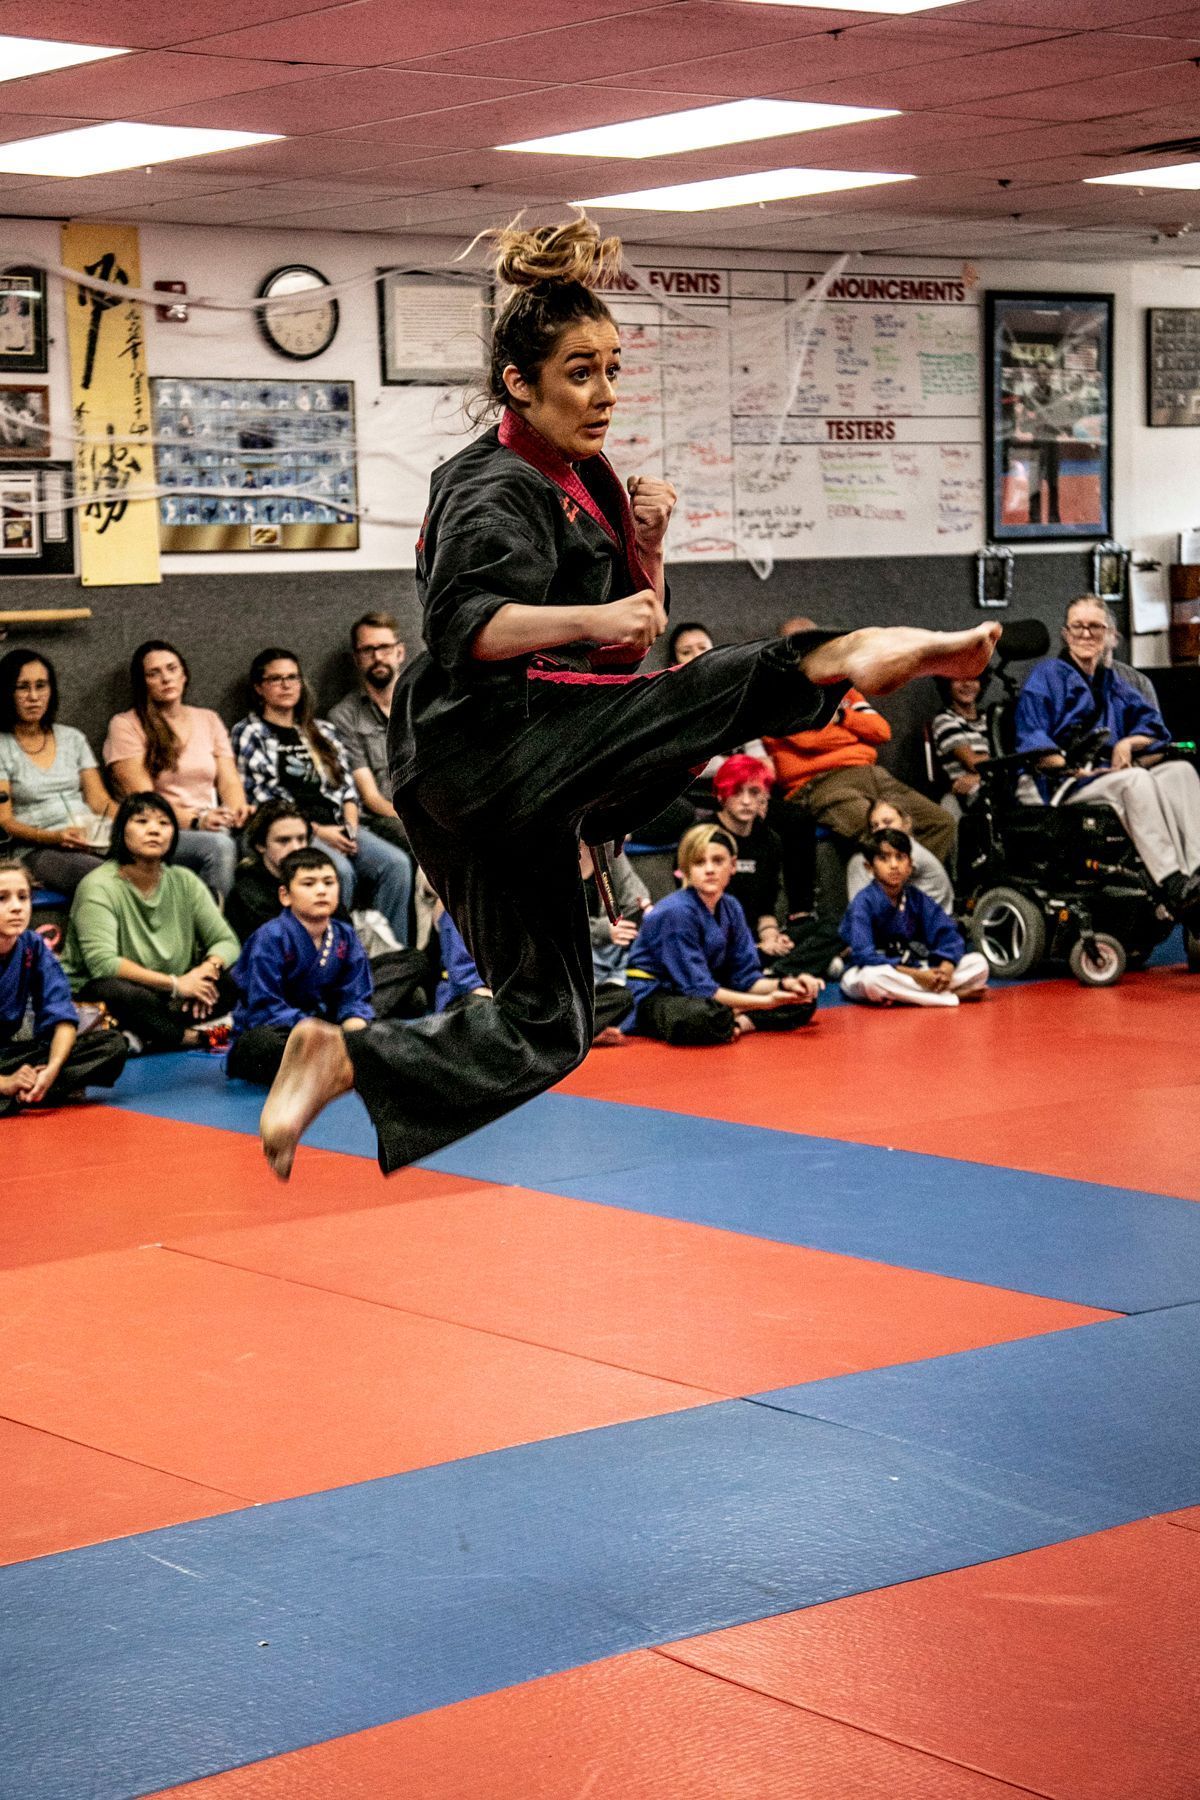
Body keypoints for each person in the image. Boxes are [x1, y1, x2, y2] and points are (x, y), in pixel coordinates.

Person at [257, 214, 1001, 1178]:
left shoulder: (581, 477)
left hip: (504, 780)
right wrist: (593, 620)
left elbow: (629, 642)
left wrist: (644, 551)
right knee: (721, 686)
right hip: (485, 750)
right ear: (518, 384)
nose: (605, 392)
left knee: (550, 1023)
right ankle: (838, 659)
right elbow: (466, 630)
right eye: (580, 371)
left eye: (611, 367)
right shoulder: (496, 486)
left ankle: (342, 1055)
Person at [1015, 594, 1200, 915]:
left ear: (1110, 636)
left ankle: (1196, 873)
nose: (1086, 634)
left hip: (1113, 775)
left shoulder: (1115, 684)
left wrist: (1128, 745)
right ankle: (1171, 883)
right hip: (1065, 784)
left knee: (1179, 772)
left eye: (1095, 628)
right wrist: (1075, 771)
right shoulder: (1046, 677)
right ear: (1066, 634)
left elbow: (1157, 735)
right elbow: (1035, 746)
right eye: (1078, 627)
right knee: (1136, 781)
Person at [231, 647, 414, 944]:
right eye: (276, 679)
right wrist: (320, 832)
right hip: (297, 829)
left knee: (395, 865)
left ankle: (390, 952)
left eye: (293, 677)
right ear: (259, 687)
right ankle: (340, 952)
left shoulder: (321, 731)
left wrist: (350, 828)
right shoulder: (250, 732)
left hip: (341, 825)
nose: (287, 685)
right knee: (337, 871)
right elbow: (264, 796)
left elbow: (347, 790)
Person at [764, 617, 957, 867]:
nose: (809, 648)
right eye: (798, 643)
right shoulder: (773, 696)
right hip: (819, 784)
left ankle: (910, 896)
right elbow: (810, 742)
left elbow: (881, 731)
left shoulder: (842, 690)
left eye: (814, 640)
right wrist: (853, 732)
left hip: (872, 774)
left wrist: (842, 716)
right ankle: (893, 897)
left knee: (940, 823)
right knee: (882, 836)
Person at [63, 792, 240, 1052]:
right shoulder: (98, 885)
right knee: (119, 993)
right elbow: (103, 963)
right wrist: (177, 985)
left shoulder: (184, 880)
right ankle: (190, 1037)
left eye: (164, 823)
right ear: (121, 830)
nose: (154, 830)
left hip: (167, 995)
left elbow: (226, 942)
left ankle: (143, 1036)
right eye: (142, 821)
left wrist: (206, 971)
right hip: (115, 990)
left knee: (226, 982)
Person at [622, 824, 823, 1044]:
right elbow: (698, 989)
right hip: (658, 994)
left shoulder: (731, 906)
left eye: (718, 861)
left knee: (803, 1000)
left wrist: (784, 986)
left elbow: (747, 978)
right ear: (685, 869)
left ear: (733, 865)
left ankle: (739, 1023)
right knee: (700, 1016)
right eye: (700, 862)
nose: (710, 869)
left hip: (712, 989)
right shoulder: (675, 912)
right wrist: (767, 1003)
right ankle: (732, 1017)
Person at [104, 640, 248, 899]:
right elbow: (144, 801)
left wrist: (237, 812)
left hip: (214, 821)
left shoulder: (208, 719)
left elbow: (228, 780)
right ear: (142, 683)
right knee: (219, 847)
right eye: (154, 673)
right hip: (163, 829)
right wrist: (197, 820)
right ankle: (215, 934)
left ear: (184, 675)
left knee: (271, 842)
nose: (165, 678)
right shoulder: (125, 724)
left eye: (172, 669)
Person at [227, 847, 373, 1085]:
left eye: (329, 882)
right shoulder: (270, 937)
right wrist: (324, 1032)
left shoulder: (344, 935)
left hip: (328, 1025)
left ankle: (334, 1056)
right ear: (285, 895)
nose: (321, 890)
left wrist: (354, 1022)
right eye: (308, 883)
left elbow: (355, 993)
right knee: (264, 1045)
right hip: (282, 1030)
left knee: (374, 1025)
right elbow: (265, 1007)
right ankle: (337, 1058)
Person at [0, 858, 126, 1115]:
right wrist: (4, 1083)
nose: (16, 908)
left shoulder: (32, 946)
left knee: (111, 1045)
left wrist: (52, 1069)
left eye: (23, 898)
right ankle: (19, 1094)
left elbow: (62, 1017)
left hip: (9, 1056)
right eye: (2, 898)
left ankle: (33, 1090)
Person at [0, 648, 115, 896]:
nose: (34, 696)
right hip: (36, 849)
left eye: (41, 686)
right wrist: (55, 837)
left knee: (154, 863)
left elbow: (100, 802)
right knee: (105, 879)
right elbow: (5, 821)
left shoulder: (72, 738)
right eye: (23, 687)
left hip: (89, 838)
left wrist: (130, 824)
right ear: (7, 692)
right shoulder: (2, 746)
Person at [840, 829, 988, 1009]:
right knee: (872, 981)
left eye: (900, 857)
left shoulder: (916, 898)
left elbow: (949, 935)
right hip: (876, 970)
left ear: (910, 865)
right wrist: (916, 976)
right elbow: (863, 955)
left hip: (915, 968)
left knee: (978, 963)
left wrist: (947, 968)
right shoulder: (863, 902)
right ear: (869, 867)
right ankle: (950, 996)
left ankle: (913, 995)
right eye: (884, 858)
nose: (894, 865)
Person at [328, 612, 411, 853]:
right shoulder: (343, 716)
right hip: (384, 817)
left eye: (384, 648)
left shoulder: (423, 704)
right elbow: (370, 797)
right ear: (357, 658)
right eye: (367, 650)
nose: (377, 658)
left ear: (400, 652)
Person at [225, 799, 313, 943]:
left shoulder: (319, 881)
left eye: (301, 839)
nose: (296, 848)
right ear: (260, 844)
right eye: (284, 841)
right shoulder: (246, 894)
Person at [846, 796, 954, 911]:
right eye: (875, 826)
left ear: (906, 823)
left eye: (887, 822)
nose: (880, 830)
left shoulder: (911, 853)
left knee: (859, 862)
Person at [929, 675, 990, 810]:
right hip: (970, 798)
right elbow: (975, 764)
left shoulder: (989, 719)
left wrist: (980, 777)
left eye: (974, 678)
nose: (967, 684)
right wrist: (1002, 761)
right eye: (958, 678)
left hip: (993, 783)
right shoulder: (945, 720)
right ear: (947, 684)